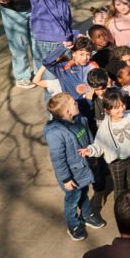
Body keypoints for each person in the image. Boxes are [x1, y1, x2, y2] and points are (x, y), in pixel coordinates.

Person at [45, 92, 106, 241]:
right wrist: (66, 179)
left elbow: (89, 138)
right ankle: (73, 224)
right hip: (71, 175)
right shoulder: (55, 133)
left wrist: (93, 155)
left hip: (84, 168)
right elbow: (58, 160)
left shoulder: (81, 120)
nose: (77, 103)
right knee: (72, 199)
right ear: (67, 112)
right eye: (74, 103)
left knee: (83, 192)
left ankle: (86, 214)